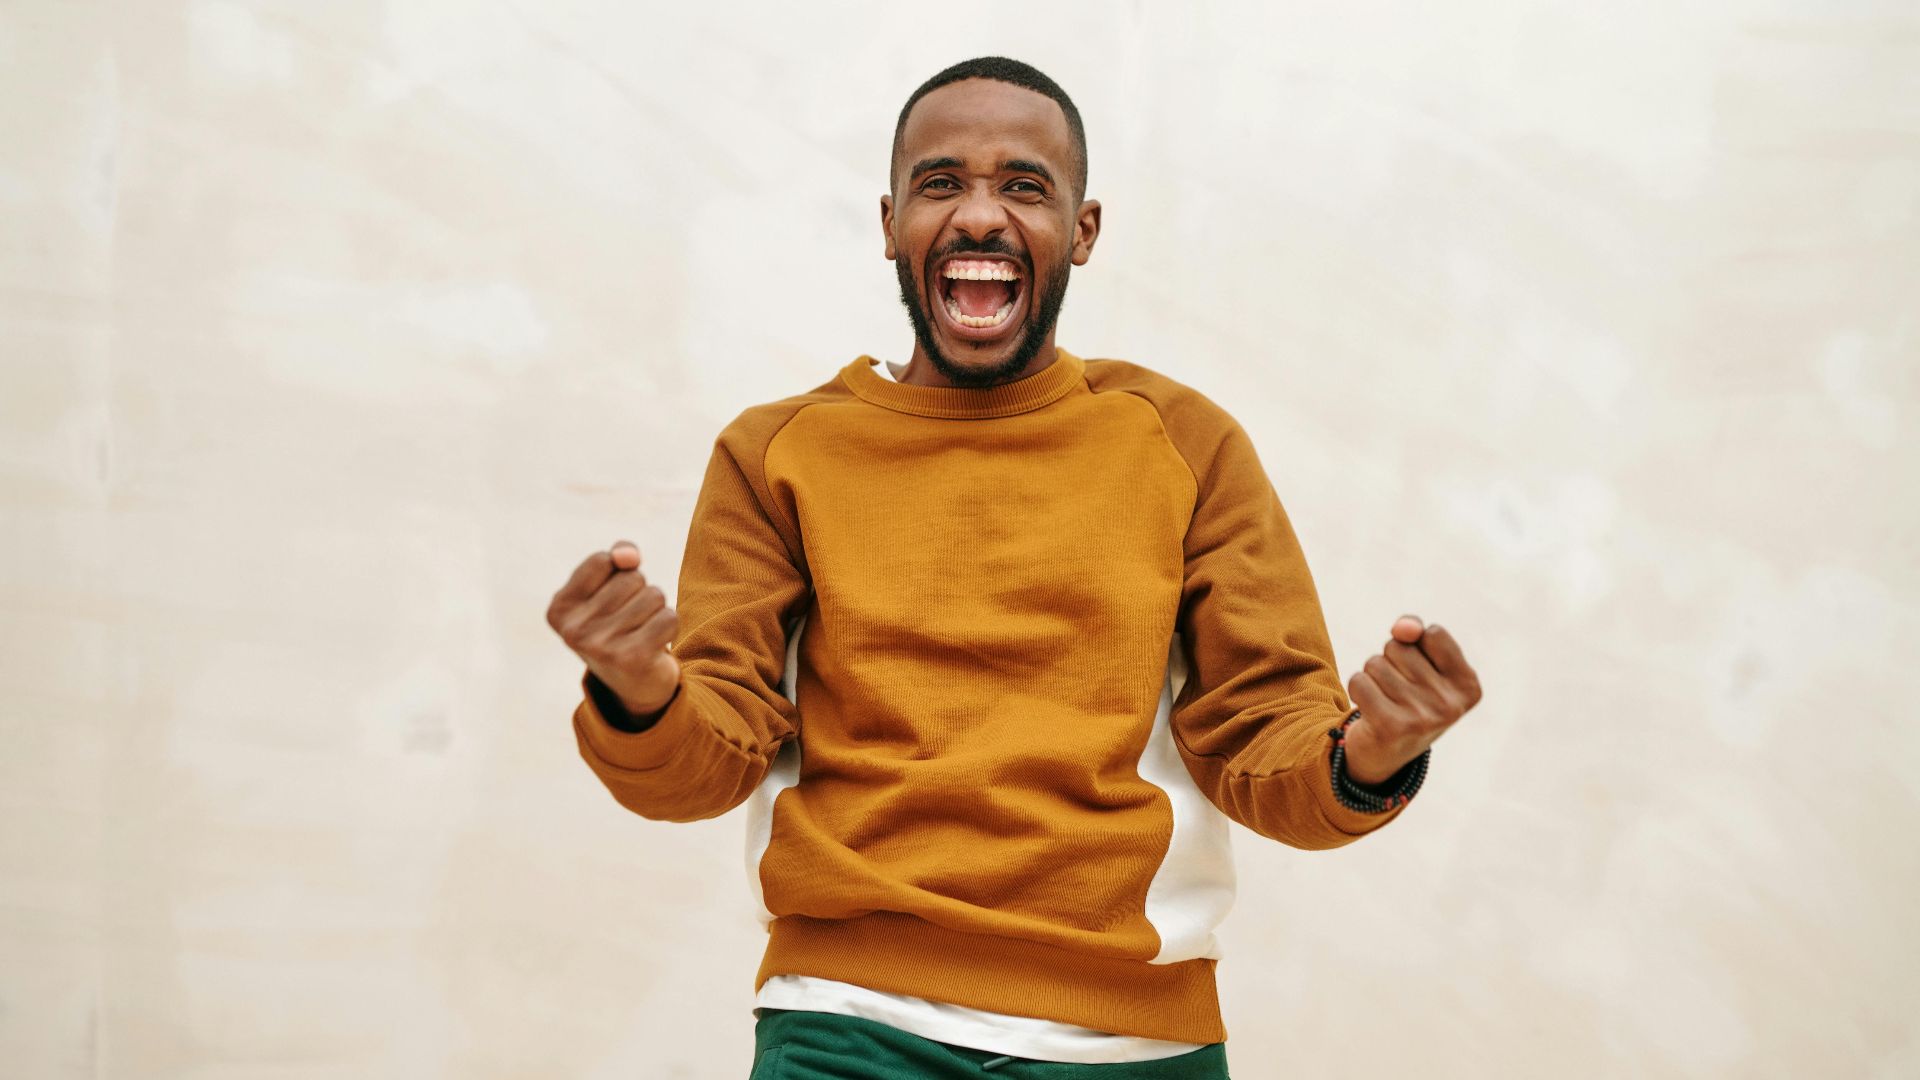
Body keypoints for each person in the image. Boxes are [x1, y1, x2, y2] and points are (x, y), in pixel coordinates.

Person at [546, 55, 1484, 1079]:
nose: (981, 216)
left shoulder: (1183, 444)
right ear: (891, 223)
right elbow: (706, 763)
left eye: (1025, 187)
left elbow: (1266, 741)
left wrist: (1372, 753)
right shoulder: (777, 455)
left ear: (1082, 231)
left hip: (1137, 1039)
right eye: (940, 183)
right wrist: (640, 692)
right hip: (850, 1025)